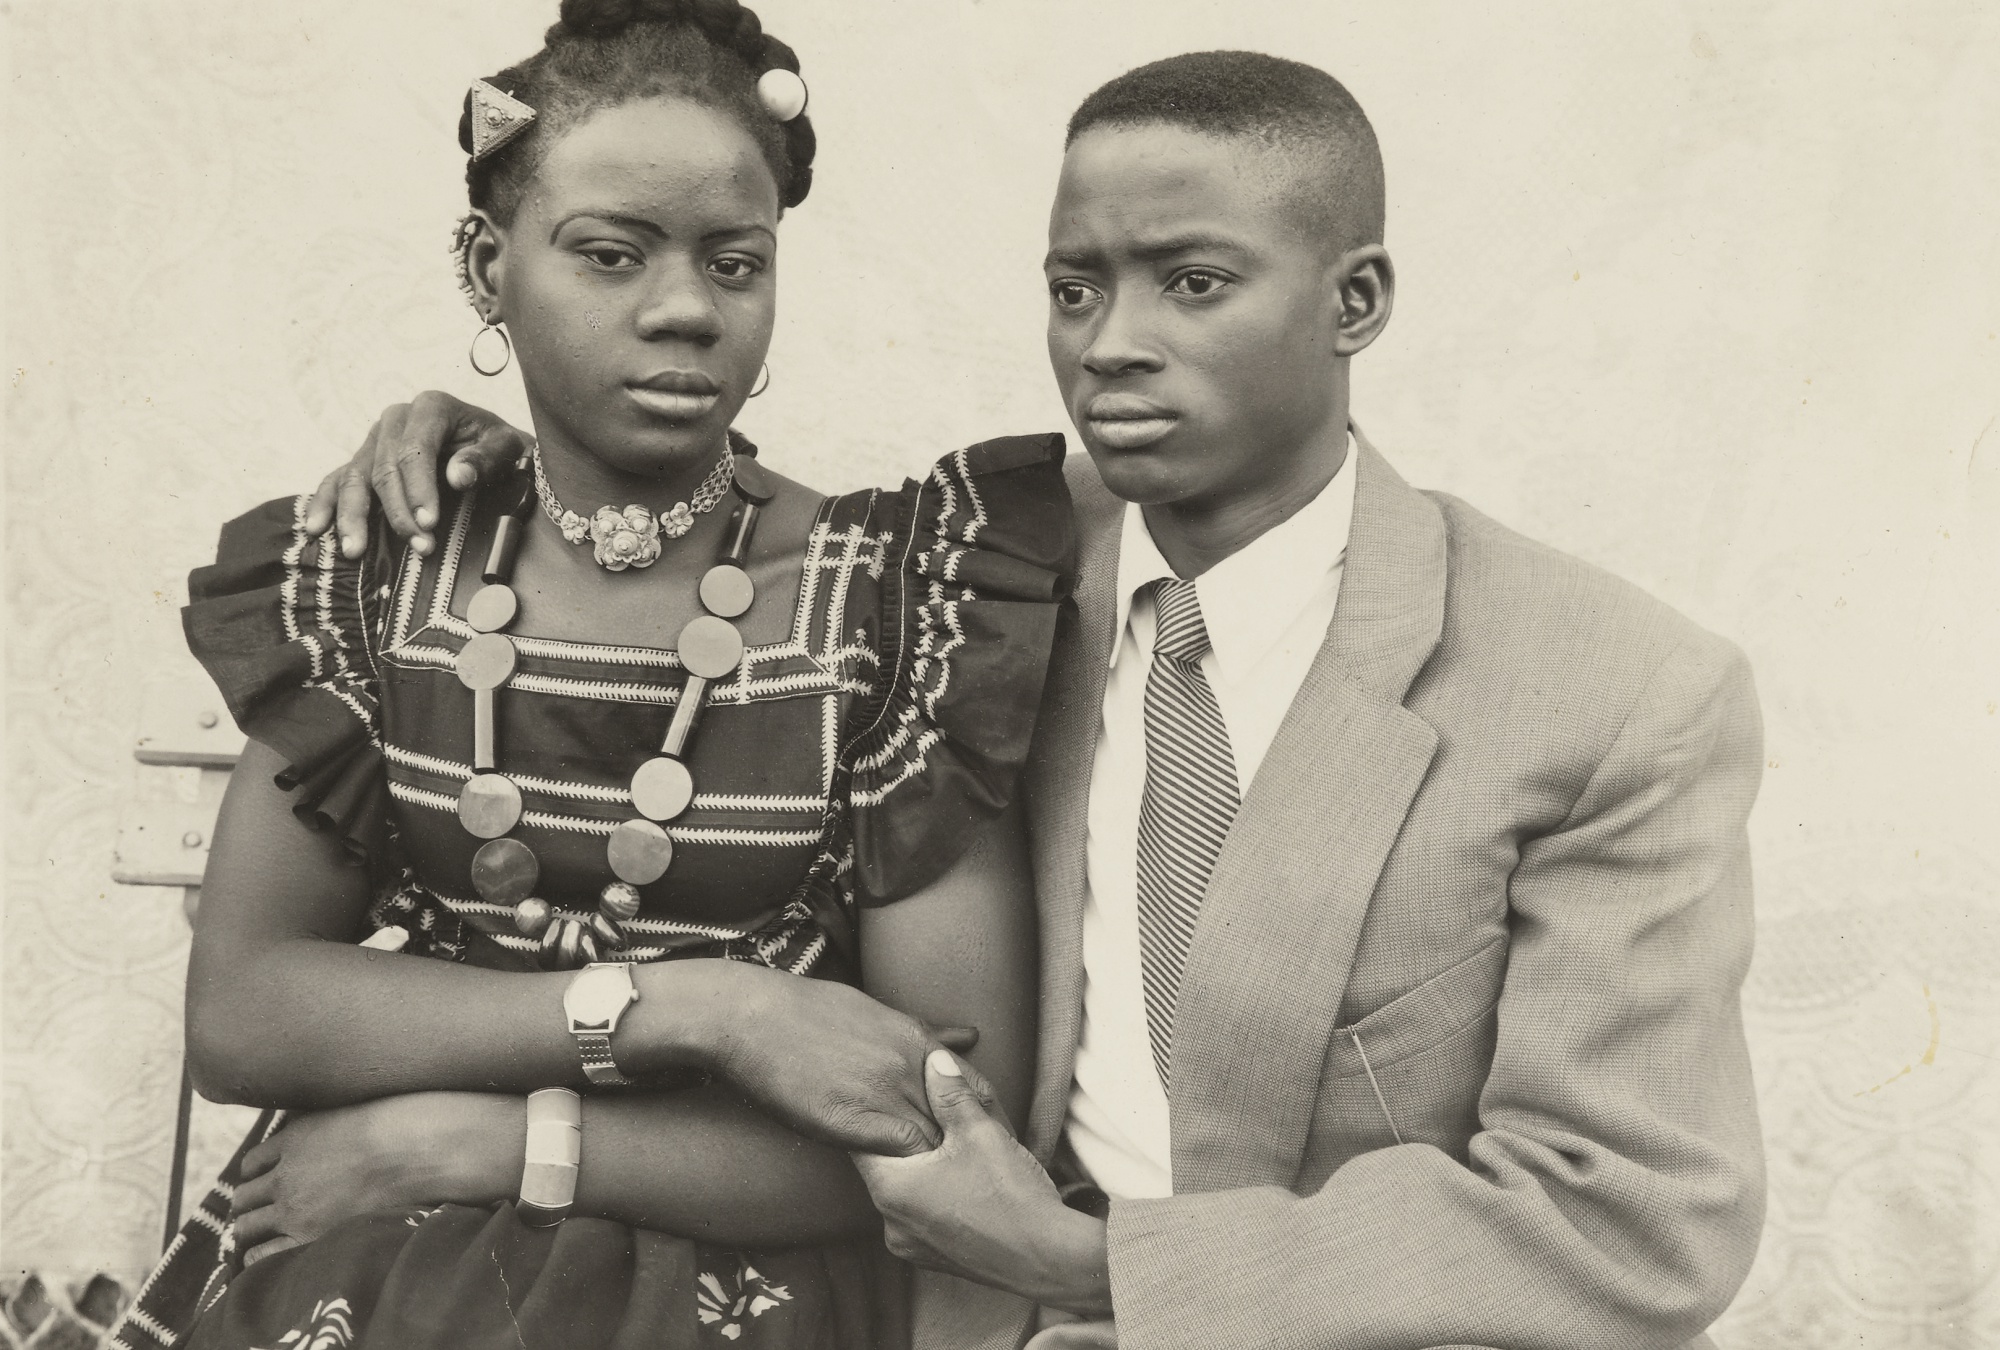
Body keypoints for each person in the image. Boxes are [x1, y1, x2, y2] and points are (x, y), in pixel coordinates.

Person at [324, 49, 1766, 1350]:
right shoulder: (990, 578)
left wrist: (1101, 1268)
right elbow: (693, 523)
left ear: (1357, 301)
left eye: (1193, 282)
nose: (1110, 342)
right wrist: (489, 460)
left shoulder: (1612, 690)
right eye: (1075, 288)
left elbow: (1629, 1222)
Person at [112, 4, 1071, 1349]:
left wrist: (496, 1140)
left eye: (735, 263)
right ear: (487, 266)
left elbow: (942, 1123)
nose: (685, 310)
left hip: (735, 1270)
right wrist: (712, 1011)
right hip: (365, 1243)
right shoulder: (386, 571)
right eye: (611, 255)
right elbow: (244, 1014)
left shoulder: (894, 605)